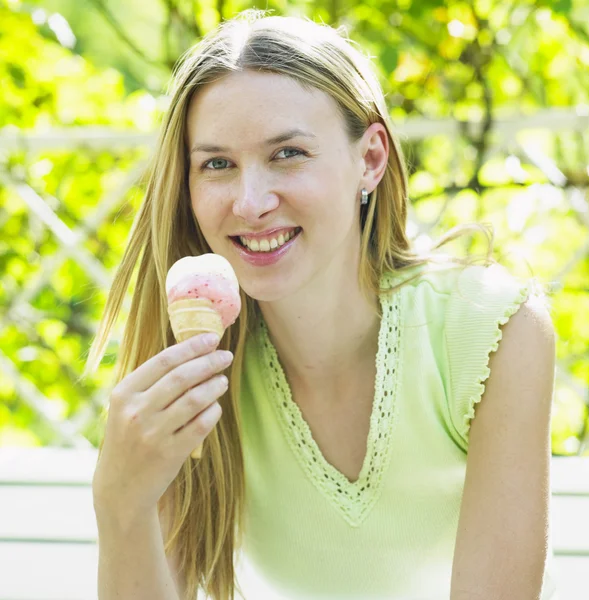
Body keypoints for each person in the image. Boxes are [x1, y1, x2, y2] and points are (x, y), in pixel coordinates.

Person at [85, 9, 560, 600]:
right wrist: (119, 502)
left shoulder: (491, 332)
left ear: (371, 159)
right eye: (217, 164)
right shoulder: (196, 368)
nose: (251, 201)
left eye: (287, 153)